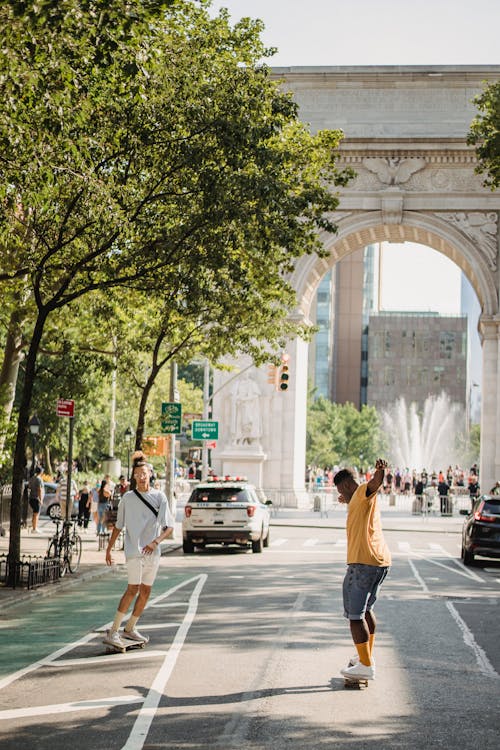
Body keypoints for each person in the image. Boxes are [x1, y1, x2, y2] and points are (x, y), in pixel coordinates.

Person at [103, 451, 174, 650]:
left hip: (153, 552)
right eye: (137, 474)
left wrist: (156, 542)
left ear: (150, 473)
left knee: (146, 592)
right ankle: (114, 631)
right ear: (134, 477)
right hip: (134, 551)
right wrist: (109, 549)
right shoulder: (128, 498)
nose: (141, 476)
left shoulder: (159, 497)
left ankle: (130, 628)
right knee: (132, 589)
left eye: (144, 473)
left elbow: (169, 526)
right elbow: (118, 525)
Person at [334, 458, 391, 682]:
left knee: (355, 615)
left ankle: (366, 665)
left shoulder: (362, 493)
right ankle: (366, 657)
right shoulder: (358, 498)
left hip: (363, 564)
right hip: (379, 561)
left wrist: (380, 472)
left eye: (341, 490)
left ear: (348, 485)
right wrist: (345, 499)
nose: (341, 495)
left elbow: (375, 484)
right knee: (367, 610)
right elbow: (357, 498)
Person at [28, 466, 45, 533]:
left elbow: (29, 487)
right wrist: (40, 499)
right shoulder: (39, 479)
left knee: (35, 513)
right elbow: (39, 489)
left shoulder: (32, 478)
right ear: (41, 472)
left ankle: (34, 527)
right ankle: (34, 528)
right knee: (36, 514)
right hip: (36, 498)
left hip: (32, 497)